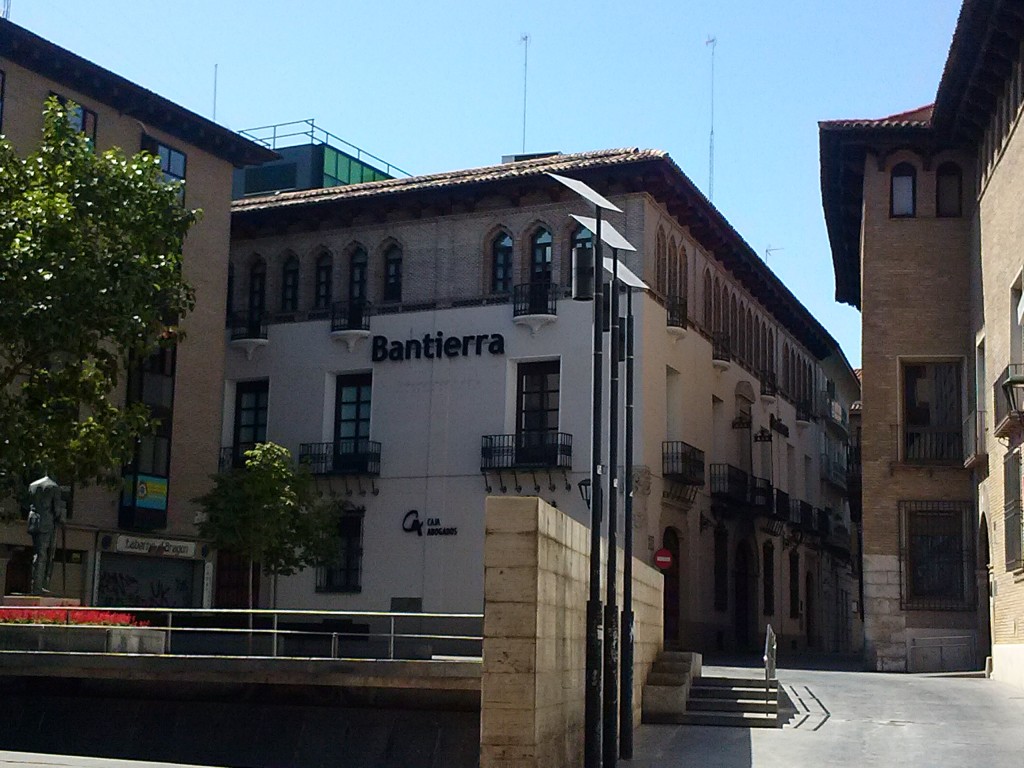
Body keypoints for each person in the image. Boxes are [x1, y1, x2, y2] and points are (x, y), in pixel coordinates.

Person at [27, 475, 64, 594]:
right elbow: (57, 510)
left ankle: (36, 584)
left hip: (33, 521)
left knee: (37, 553)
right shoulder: (54, 487)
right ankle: (37, 587)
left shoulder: (32, 485)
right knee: (42, 555)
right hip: (45, 523)